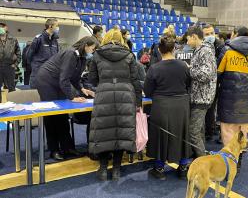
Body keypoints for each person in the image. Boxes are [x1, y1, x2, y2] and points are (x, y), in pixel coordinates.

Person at [88, 28, 142, 181]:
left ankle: (103, 169)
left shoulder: (97, 54)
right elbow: (135, 80)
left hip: (103, 94)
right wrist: (138, 101)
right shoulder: (129, 55)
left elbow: (92, 79)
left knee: (104, 132)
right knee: (121, 132)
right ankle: (117, 169)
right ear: (121, 39)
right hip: (125, 95)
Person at [35, 36, 97, 161]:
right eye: (93, 48)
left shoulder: (82, 58)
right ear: (86, 45)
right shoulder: (70, 53)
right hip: (46, 81)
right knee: (52, 115)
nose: (93, 51)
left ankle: (68, 148)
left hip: (58, 82)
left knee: (62, 115)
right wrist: (72, 97)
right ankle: (54, 150)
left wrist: (82, 89)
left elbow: (75, 78)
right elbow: (64, 78)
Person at [144, 36, 191, 180]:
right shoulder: (183, 66)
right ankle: (183, 167)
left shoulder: (154, 68)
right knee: (182, 134)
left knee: (160, 136)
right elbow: (188, 85)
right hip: (181, 105)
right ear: (174, 49)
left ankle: (159, 169)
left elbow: (147, 91)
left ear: (159, 50)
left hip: (162, 105)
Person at [187, 26, 217, 158]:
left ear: (194, 37)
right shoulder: (199, 50)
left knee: (193, 132)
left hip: (202, 97)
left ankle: (202, 161)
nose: (187, 42)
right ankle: (200, 156)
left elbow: (206, 75)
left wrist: (188, 69)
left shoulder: (205, 51)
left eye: (188, 39)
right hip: (199, 96)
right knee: (199, 131)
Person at [27, 18, 60, 88]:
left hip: (50, 70)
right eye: (57, 26)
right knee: (35, 91)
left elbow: (57, 55)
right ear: (50, 26)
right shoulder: (39, 39)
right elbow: (29, 54)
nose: (58, 28)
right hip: (38, 69)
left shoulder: (55, 40)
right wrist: (34, 65)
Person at [0, 23, 21, 103]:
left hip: (9, 66)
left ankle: (12, 105)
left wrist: (15, 65)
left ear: (6, 28)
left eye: (2, 27)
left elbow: (18, 53)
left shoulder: (13, 39)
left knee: (11, 88)